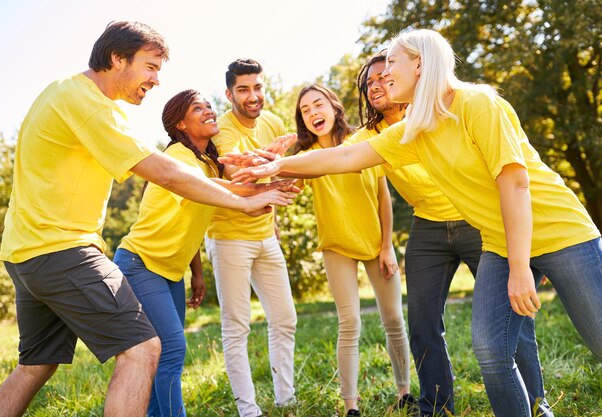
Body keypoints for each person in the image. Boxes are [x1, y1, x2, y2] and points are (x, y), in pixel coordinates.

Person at [224, 29, 602, 417]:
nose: (384, 74)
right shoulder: (413, 129)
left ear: (419, 64)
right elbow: (342, 158)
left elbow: (515, 182)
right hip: (501, 242)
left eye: (392, 63)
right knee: (490, 350)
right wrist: (277, 165)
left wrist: (520, 268)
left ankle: (540, 403)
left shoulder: (477, 104)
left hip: (560, 233)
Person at [0, 22, 295, 417]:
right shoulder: (89, 104)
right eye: (150, 67)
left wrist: (252, 190)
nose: (156, 79)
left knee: (35, 364)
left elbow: (202, 182)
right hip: (61, 249)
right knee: (144, 348)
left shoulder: (65, 92)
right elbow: (167, 173)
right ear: (118, 58)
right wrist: (245, 203)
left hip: (24, 250)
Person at [349, 52, 550, 416]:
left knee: (512, 317)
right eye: (369, 82)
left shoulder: (433, 111)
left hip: (476, 221)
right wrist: (281, 162)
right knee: (423, 322)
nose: (376, 85)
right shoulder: (372, 135)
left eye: (384, 76)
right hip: (427, 228)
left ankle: (536, 402)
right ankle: (436, 407)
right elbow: (331, 157)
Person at [112, 90, 300, 417]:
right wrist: (258, 192)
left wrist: (196, 273)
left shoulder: (206, 165)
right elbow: (219, 190)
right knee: (171, 350)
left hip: (170, 272)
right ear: (180, 123)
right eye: (197, 108)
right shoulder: (177, 158)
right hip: (139, 264)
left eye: (209, 106)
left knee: (159, 356)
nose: (209, 111)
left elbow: (193, 217)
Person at [293, 85, 411, 417]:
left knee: (394, 320)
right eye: (305, 110)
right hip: (337, 246)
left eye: (318, 104)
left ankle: (404, 392)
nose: (314, 113)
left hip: (376, 244)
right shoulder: (308, 156)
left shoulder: (363, 142)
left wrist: (387, 246)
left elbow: (382, 196)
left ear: (333, 106)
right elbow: (285, 182)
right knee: (350, 322)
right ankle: (351, 406)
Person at [205, 58, 298, 417]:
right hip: (229, 237)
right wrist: (271, 159)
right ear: (229, 93)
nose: (253, 95)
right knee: (236, 325)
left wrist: (278, 163)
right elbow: (235, 175)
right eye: (243, 89)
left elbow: (285, 174)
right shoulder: (223, 129)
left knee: (285, 318)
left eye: (257, 87)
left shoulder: (273, 122)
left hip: (265, 236)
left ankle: (285, 399)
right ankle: (248, 410)